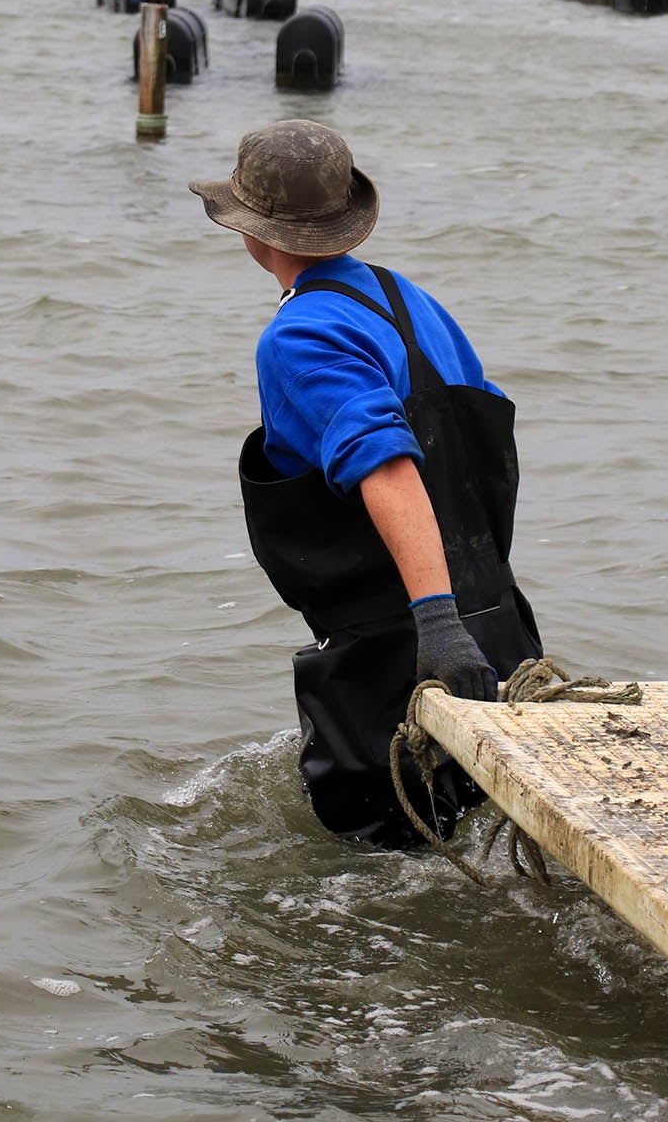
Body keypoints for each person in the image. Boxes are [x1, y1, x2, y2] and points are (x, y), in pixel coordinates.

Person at [190, 118, 542, 848]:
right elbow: (481, 451)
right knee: (487, 845)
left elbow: (386, 466)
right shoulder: (412, 302)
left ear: (254, 233)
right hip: (503, 633)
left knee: (377, 872)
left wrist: (437, 628)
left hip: (407, 657)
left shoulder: (299, 336)